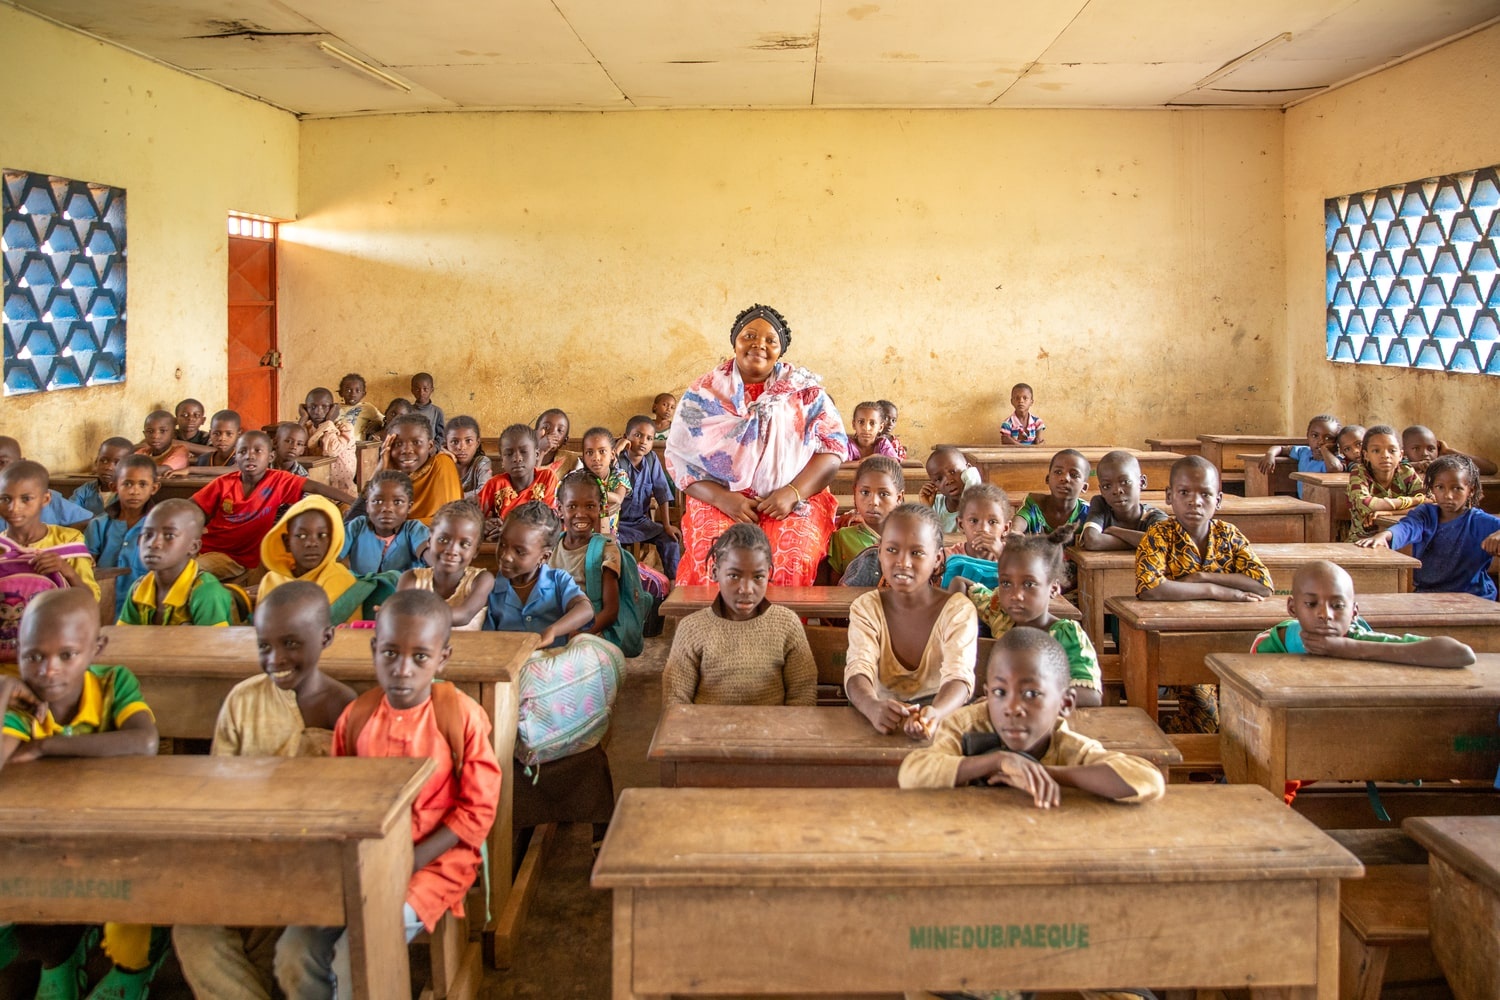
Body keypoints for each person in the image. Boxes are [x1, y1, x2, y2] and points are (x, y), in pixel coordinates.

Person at [274, 591, 500, 1000]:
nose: (402, 670)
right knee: (293, 953)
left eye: (420, 658)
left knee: (353, 955)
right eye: (391, 653)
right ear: (374, 649)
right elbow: (342, 800)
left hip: (434, 864)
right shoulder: (357, 717)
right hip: (361, 862)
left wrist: (406, 862)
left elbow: (477, 809)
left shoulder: (459, 716)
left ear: (442, 659)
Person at [173, 582, 357, 1000]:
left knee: (275, 939)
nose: (275, 659)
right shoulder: (244, 700)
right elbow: (220, 790)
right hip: (244, 855)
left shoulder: (348, 711)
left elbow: (353, 809)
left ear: (326, 637)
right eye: (263, 645)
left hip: (313, 866)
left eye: (290, 643)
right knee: (192, 929)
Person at [0, 589, 164, 998]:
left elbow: (143, 742)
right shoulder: (24, 703)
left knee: (134, 923)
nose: (48, 671)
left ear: (97, 648)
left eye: (67, 655)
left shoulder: (113, 683)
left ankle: (133, 969)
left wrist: (44, 747)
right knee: (32, 916)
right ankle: (61, 958)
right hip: (44, 845)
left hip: (116, 840)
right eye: (33, 655)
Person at [1250, 560, 1475, 804]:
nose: (1325, 614)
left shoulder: (1360, 638)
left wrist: (1351, 648)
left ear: (1354, 611)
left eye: (1337, 605)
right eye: (1311, 604)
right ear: (1292, 608)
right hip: (1298, 744)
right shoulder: (1273, 645)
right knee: (1263, 774)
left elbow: (1460, 653)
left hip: (1365, 741)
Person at [666, 305, 848, 587]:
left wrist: (792, 492)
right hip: (721, 497)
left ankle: (780, 630)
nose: (758, 345)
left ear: (780, 350)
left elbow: (833, 450)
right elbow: (680, 460)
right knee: (715, 559)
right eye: (749, 335)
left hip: (794, 497)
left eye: (770, 340)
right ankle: (715, 632)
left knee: (790, 560)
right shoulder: (703, 393)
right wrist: (722, 499)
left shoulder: (805, 392)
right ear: (735, 341)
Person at [898, 627, 1164, 805]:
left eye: (1031, 694)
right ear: (988, 694)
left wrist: (1040, 772)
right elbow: (911, 773)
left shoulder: (1065, 744)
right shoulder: (966, 725)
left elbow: (1148, 780)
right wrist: (999, 761)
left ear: (1065, 702)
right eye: (1001, 692)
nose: (1012, 707)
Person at [1136, 456, 1273, 733]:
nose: (1194, 501)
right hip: (1177, 645)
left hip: (1232, 645)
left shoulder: (1228, 535)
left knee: (1253, 711)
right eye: (1184, 492)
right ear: (1169, 496)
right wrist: (1217, 592)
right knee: (1206, 714)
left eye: (1205, 494)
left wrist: (1204, 577)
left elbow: (1262, 584)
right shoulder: (1160, 535)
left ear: (1218, 500)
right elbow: (1150, 588)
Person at [844, 504, 977, 740]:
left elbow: (960, 677)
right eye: (892, 550)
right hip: (876, 717)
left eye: (916, 553)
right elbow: (858, 669)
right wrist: (872, 707)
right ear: (880, 552)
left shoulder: (957, 610)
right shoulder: (867, 607)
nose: (903, 562)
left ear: (937, 559)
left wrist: (935, 713)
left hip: (942, 716)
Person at [662, 523, 816, 706]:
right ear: (715, 573)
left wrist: (785, 733)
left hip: (774, 731)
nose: (746, 589)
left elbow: (803, 693)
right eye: (734, 576)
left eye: (758, 577)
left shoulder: (786, 624)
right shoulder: (692, 629)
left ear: (769, 574)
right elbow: (676, 700)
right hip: (707, 732)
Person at [961, 527, 1103, 707]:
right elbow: (964, 583)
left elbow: (1091, 695)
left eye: (1029, 584)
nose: (1016, 595)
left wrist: (1021, 696)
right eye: (1006, 583)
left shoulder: (1066, 634)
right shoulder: (1000, 614)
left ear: (1053, 588)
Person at [192, 430, 353, 583]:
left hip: (235, 558)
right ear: (236, 457)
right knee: (181, 568)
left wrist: (355, 502)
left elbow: (316, 488)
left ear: (271, 457)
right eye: (242, 452)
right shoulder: (223, 483)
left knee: (191, 571)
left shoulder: (277, 480)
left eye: (257, 451)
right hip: (208, 548)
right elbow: (192, 506)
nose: (250, 456)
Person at [1356, 454, 1500, 599]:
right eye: (1440, 487)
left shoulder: (1480, 522)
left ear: (1471, 491)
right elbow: (1407, 527)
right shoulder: (1425, 514)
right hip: (1428, 594)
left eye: (1457, 488)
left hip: (1474, 596)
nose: (1448, 495)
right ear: (1432, 489)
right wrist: (1384, 536)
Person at [118, 500, 236, 626]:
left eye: (169, 535)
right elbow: (125, 639)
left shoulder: (205, 591)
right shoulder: (139, 588)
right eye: (148, 534)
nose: (153, 544)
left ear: (193, 547)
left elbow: (212, 645)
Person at [258, 496, 368, 623]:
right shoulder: (270, 581)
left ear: (333, 540)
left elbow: (348, 637)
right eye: (302, 535)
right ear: (287, 542)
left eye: (322, 535)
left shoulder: (342, 581)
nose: (311, 543)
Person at [0, 460, 99, 599]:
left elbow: (91, 598)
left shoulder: (68, 541)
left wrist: (67, 571)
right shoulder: (2, 546)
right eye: (5, 499)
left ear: (45, 499)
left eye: (26, 499)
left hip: (57, 620)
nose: (14, 508)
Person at [85, 455, 159, 619]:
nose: (134, 491)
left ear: (154, 488)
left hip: (146, 607)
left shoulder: (160, 527)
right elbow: (87, 569)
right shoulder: (99, 525)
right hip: (103, 606)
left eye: (142, 484)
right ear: (114, 487)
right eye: (127, 484)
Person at [399, 500, 492, 631]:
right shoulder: (411, 579)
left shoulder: (481, 580)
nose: (452, 550)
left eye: (464, 544)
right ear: (430, 541)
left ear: (475, 551)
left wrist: (401, 614)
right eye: (443, 540)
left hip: (469, 650)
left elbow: (464, 615)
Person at [1009, 448, 1090, 594]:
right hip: (1032, 581)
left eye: (1074, 475)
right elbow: (1020, 520)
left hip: (1074, 585)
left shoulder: (1087, 513)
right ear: (1048, 479)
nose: (1064, 478)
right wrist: (1015, 531)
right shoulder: (1034, 503)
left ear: (1084, 487)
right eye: (1058, 472)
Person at [615, 415, 681, 579]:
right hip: (616, 525)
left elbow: (662, 493)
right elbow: (605, 480)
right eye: (638, 435)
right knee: (609, 547)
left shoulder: (651, 460)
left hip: (640, 522)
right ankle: (623, 586)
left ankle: (674, 584)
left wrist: (666, 525)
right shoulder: (617, 460)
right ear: (626, 438)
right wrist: (616, 450)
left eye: (649, 438)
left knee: (670, 539)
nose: (644, 441)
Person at [477, 424, 560, 539]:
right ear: (502, 461)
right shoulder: (495, 484)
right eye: (509, 454)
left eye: (524, 451)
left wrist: (509, 529)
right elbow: (474, 516)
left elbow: (549, 521)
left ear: (536, 454)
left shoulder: (547, 478)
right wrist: (484, 525)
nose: (517, 458)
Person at [1347, 424, 1428, 542]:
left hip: (1403, 539)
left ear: (1400, 455)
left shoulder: (1406, 472)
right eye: (1376, 450)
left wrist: (1390, 512)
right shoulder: (1359, 473)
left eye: (1392, 450)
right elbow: (1368, 505)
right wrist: (1415, 500)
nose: (1385, 455)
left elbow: (1428, 505)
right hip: (1361, 541)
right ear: (1366, 455)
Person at [341, 471, 430, 576]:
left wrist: (435, 559)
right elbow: (332, 554)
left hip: (402, 591)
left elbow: (428, 554)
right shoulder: (357, 526)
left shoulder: (413, 529)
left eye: (397, 502)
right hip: (361, 590)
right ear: (367, 506)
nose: (387, 509)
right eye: (378, 501)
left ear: (409, 507)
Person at [378, 413, 461, 525]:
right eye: (398, 444)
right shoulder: (388, 472)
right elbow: (366, 516)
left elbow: (449, 520)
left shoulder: (441, 464)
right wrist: (380, 469)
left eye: (416, 442)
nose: (407, 450)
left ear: (430, 446)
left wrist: (396, 525)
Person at [828, 455, 903, 579]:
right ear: (855, 493)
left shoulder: (910, 537)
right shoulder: (842, 538)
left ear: (898, 498)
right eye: (865, 492)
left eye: (884, 494)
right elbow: (834, 590)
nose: (873, 501)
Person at [1078, 450, 1168, 551]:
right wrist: (1144, 543)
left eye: (1125, 482)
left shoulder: (1155, 517)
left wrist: (1115, 531)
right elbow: (1092, 541)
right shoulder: (1101, 504)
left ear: (1142, 482)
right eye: (1107, 486)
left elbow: (1163, 543)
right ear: (1101, 491)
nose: (1117, 491)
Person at [940, 483, 1010, 590]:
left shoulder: (1014, 556)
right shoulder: (948, 557)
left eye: (992, 522)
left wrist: (1001, 554)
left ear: (1005, 529)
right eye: (973, 521)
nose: (983, 529)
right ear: (961, 525)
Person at [1261, 414, 1342, 493]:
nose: (1320, 441)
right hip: (1304, 502)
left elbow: (1335, 468)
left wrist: (1324, 450)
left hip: (1325, 503)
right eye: (1315, 435)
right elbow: (1281, 448)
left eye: (1328, 438)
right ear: (1307, 436)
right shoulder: (1304, 452)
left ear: (1337, 441)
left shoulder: (1336, 460)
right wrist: (1270, 454)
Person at [300, 387, 357, 494]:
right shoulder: (306, 428)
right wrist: (302, 420)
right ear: (305, 408)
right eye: (312, 407)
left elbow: (331, 451)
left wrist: (329, 421)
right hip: (314, 491)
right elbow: (296, 450)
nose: (318, 411)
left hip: (342, 491)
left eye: (324, 407)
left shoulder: (344, 428)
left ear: (333, 408)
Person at [579, 426, 630, 537]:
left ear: (612, 454)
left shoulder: (619, 475)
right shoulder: (578, 478)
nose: (596, 457)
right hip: (582, 533)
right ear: (583, 456)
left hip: (609, 536)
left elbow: (618, 499)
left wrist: (591, 495)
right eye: (589, 452)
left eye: (602, 451)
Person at [919, 446, 982, 533]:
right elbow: (926, 535)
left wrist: (972, 479)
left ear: (968, 470)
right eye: (939, 479)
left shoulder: (983, 503)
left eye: (953, 472)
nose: (948, 481)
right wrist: (926, 507)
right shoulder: (935, 505)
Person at [69, 437, 134, 515]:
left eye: (117, 463)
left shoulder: (131, 493)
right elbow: (70, 513)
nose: (108, 467)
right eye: (104, 461)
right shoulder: (86, 490)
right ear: (96, 462)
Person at [1401, 424, 1498, 476]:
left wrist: (1448, 451)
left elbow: (1491, 469)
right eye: (1416, 448)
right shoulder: (1398, 466)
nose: (1425, 454)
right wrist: (1418, 465)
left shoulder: (1443, 465)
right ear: (1403, 450)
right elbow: (1398, 468)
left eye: (1431, 448)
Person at [444, 416, 493, 499]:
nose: (462, 447)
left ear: (477, 443)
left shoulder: (482, 462)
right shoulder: (442, 463)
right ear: (446, 443)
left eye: (468, 441)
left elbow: (485, 491)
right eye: (455, 441)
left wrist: (452, 497)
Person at [136, 409, 191, 474]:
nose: (155, 436)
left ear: (173, 433)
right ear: (144, 434)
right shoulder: (143, 452)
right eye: (150, 431)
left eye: (162, 431)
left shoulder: (180, 451)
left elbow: (164, 470)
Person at [534, 408, 580, 478]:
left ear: (565, 440)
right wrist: (541, 451)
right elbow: (528, 484)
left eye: (560, 430)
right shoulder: (523, 457)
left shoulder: (571, 459)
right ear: (535, 433)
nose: (552, 433)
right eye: (546, 427)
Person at [337, 373, 384, 440]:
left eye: (357, 391)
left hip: (358, 446)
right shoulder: (336, 408)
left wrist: (377, 424)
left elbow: (383, 420)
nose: (353, 394)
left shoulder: (367, 408)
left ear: (363, 394)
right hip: (337, 446)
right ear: (341, 393)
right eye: (348, 390)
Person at [999, 382, 1045, 446]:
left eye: (1025, 398)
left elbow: (1039, 443)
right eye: (1017, 398)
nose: (1021, 401)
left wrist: (1014, 443)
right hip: (1013, 455)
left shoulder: (1037, 422)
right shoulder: (1007, 423)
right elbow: (1005, 441)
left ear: (1031, 402)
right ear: (1012, 401)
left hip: (1033, 455)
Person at [409, 372, 445, 441]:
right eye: (417, 389)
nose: (421, 393)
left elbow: (441, 436)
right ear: (412, 391)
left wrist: (435, 447)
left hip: (431, 448)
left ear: (431, 390)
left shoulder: (437, 412)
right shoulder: (407, 410)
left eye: (425, 389)